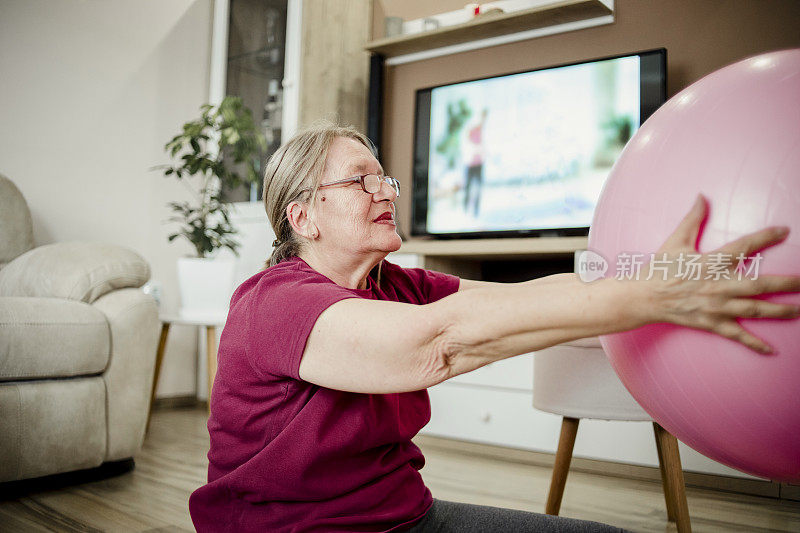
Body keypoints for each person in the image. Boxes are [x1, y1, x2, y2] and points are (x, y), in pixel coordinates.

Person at [188, 123, 800, 532]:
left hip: (403, 518)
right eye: (359, 181)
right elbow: (437, 343)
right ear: (303, 216)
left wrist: (662, 274)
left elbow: (527, 298)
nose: (385, 192)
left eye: (386, 179)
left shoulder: (397, 285)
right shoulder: (274, 303)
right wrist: (651, 300)